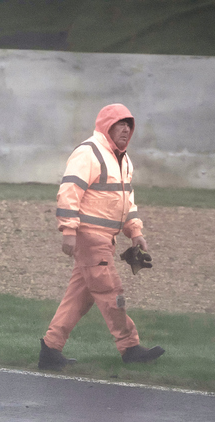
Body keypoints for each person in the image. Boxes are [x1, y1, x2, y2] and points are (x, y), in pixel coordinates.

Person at [39, 104, 165, 371]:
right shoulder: (88, 153)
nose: (126, 129)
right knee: (112, 292)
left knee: (78, 298)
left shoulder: (124, 160)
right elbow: (68, 192)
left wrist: (136, 232)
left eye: (129, 125)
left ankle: (50, 349)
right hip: (90, 238)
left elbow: (127, 202)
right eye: (120, 124)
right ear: (106, 126)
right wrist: (69, 231)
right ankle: (130, 348)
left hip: (106, 239)